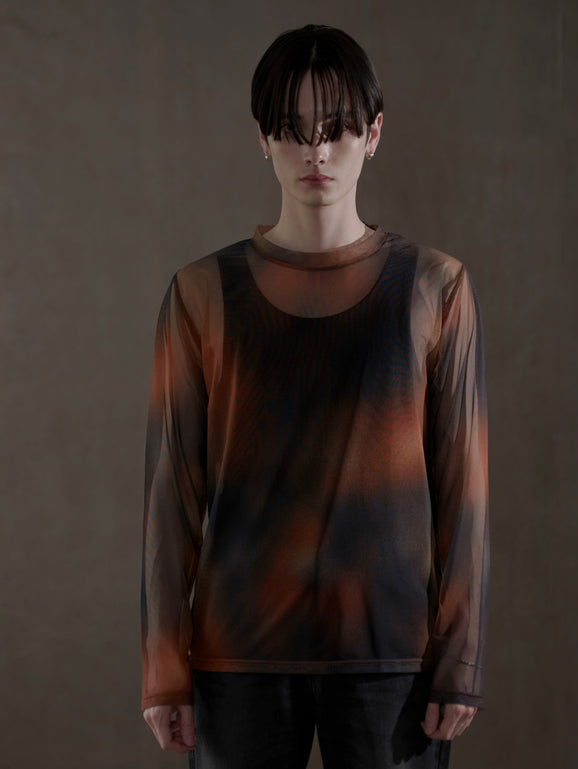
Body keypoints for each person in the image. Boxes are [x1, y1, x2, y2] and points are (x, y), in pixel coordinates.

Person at [141, 23, 489, 769]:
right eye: (292, 130)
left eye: (335, 129)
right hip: (238, 654)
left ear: (373, 133)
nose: (316, 152)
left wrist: (460, 657)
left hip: (390, 656)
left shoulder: (435, 288)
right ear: (262, 139)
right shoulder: (202, 294)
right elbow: (173, 494)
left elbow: (463, 487)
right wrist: (163, 668)